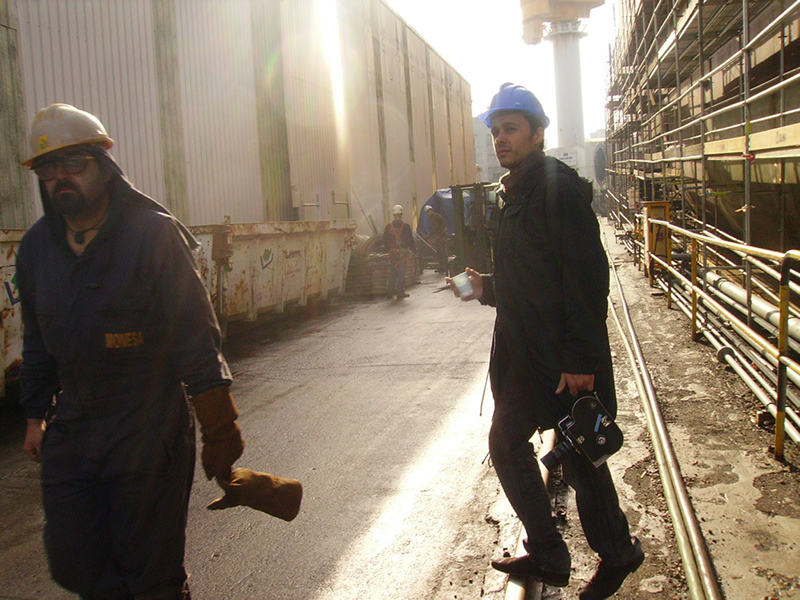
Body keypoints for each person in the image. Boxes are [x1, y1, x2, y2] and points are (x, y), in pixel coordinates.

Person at [16, 104, 249, 600]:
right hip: (75, 426)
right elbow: (36, 337)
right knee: (76, 564)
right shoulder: (37, 248)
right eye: (49, 169)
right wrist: (35, 414)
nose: (61, 178)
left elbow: (195, 335)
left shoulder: (152, 234)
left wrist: (219, 425)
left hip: (148, 426)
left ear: (104, 165)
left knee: (151, 574)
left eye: (73, 164)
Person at [450, 84, 644, 599]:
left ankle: (618, 553)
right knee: (506, 441)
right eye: (494, 131)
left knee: (581, 459)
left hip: (561, 360)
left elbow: (586, 277)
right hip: (526, 356)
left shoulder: (557, 190)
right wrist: (486, 287)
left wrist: (582, 361)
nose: (500, 139)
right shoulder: (515, 192)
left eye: (510, 128)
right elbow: (531, 278)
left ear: (538, 133)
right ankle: (550, 551)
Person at [383, 204, 415, 299]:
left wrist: (389, 248)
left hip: (393, 253)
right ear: (401, 214)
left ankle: (390, 293)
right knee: (401, 273)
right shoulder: (405, 226)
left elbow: (384, 241)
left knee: (393, 272)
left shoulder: (388, 227)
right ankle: (400, 293)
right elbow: (410, 240)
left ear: (394, 215)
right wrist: (413, 250)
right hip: (403, 253)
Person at [424, 205, 449, 274]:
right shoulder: (431, 219)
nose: (428, 213)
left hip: (441, 236)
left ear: (431, 210)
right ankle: (441, 266)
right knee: (439, 252)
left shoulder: (436, 216)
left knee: (442, 252)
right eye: (427, 212)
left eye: (428, 211)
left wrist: (442, 232)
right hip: (437, 235)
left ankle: (445, 267)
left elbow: (443, 223)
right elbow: (434, 228)